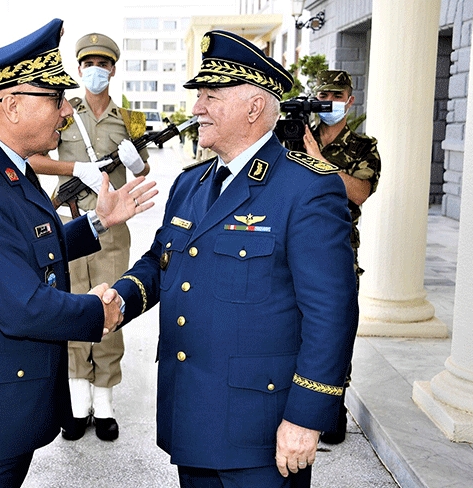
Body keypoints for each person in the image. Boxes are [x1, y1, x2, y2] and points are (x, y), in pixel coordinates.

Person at [0, 19, 157, 487]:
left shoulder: (7, 168)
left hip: (3, 409)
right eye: (56, 99)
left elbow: (27, 249)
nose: (66, 111)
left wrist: (99, 221)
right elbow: (22, 305)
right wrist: (99, 313)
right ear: (14, 105)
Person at [110, 30, 359, 487]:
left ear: (253, 107)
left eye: (210, 96)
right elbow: (161, 260)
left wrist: (306, 418)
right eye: (199, 96)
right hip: (192, 417)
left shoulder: (307, 187)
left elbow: (331, 311)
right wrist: (120, 300)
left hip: (262, 430)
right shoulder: (191, 184)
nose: (197, 108)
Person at [28, 32, 150, 442]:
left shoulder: (130, 119)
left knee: (111, 304)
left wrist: (136, 162)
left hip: (112, 228)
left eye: (104, 64)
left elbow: (142, 171)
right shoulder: (63, 113)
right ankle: (78, 403)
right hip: (67, 221)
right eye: (88, 65)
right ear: (79, 69)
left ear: (113, 69)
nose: (96, 71)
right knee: (72, 307)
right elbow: (35, 157)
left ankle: (105, 404)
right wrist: (75, 169)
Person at [301, 69, 381, 444]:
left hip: (337, 245)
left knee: (335, 323)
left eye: (338, 96)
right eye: (324, 95)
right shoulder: (296, 137)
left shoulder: (363, 147)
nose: (330, 102)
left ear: (350, 101)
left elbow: (360, 192)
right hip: (295, 241)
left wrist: (318, 161)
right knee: (292, 322)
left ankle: (333, 407)